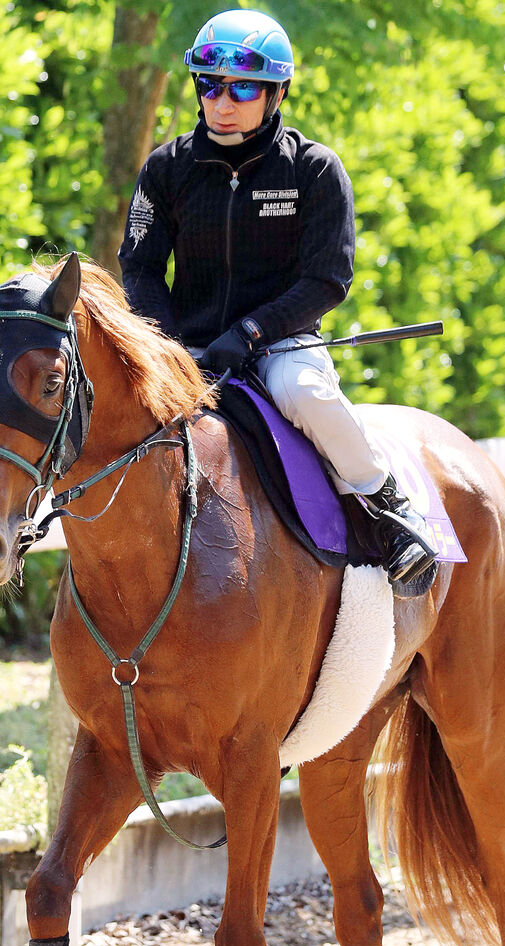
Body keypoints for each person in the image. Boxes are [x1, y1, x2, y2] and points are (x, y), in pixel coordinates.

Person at [119, 9, 437, 588]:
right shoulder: (166, 169)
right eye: (210, 85)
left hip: (280, 346)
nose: (223, 101)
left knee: (305, 392)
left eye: (242, 87)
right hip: (184, 351)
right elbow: (139, 268)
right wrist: (165, 348)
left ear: (277, 91)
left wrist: (248, 335)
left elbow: (326, 280)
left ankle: (389, 510)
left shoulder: (315, 170)